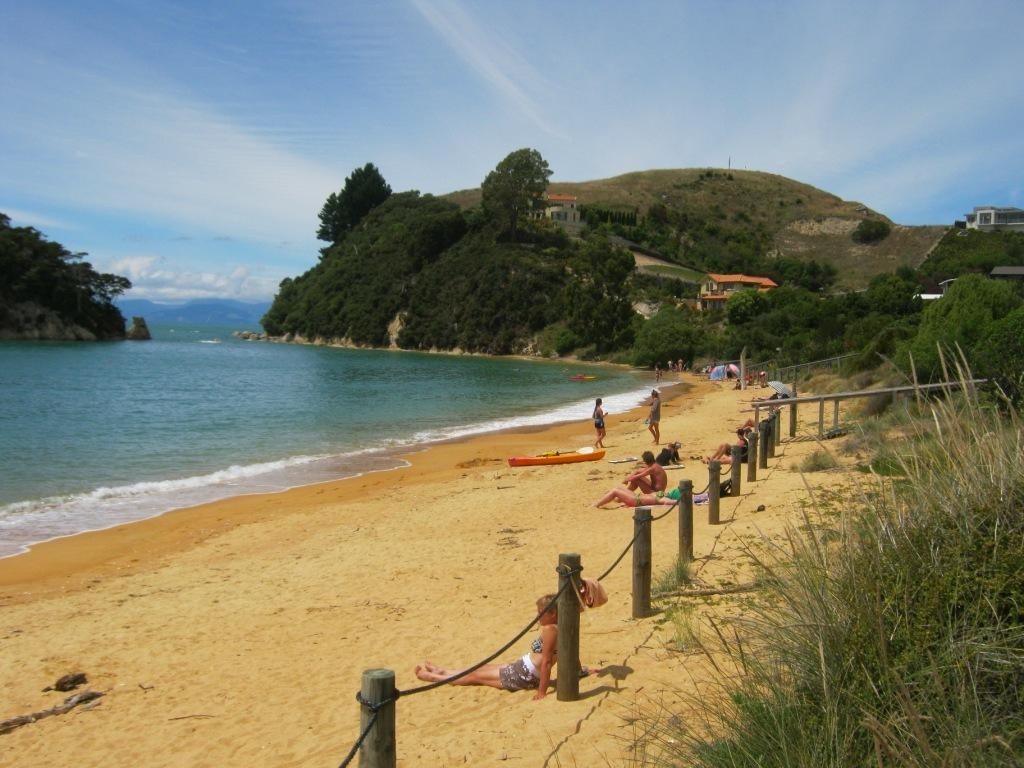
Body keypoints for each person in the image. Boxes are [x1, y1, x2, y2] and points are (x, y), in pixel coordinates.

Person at [413, 594, 600, 699]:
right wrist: (581, 670)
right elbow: (570, 651)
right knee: (479, 669)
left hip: (524, 675)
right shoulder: (564, 626)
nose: (538, 617)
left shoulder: (551, 629)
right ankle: (442, 671)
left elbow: (547, 662)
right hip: (522, 668)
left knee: (475, 676)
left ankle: (433, 677)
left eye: (540, 613)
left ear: (552, 614)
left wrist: (542, 691)